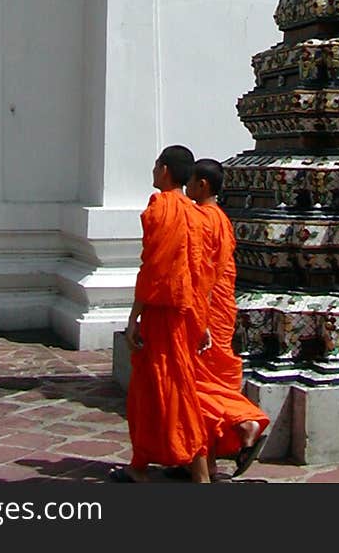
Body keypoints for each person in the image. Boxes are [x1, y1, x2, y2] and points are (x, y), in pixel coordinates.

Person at [109, 145, 211, 484]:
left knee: (170, 389)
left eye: (155, 166)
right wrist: (203, 320)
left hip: (161, 314)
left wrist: (133, 317)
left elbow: (153, 268)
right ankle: (141, 463)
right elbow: (199, 273)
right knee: (156, 389)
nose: (153, 171)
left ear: (164, 170)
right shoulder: (195, 214)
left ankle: (198, 468)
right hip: (184, 313)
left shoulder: (160, 208)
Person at [186, 157, 269, 479]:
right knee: (213, 380)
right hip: (222, 308)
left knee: (197, 385)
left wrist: (199, 319)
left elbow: (200, 272)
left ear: (202, 185)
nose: (187, 187)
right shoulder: (221, 218)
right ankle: (209, 457)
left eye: (191, 182)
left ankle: (245, 420)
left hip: (207, 310)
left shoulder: (200, 220)